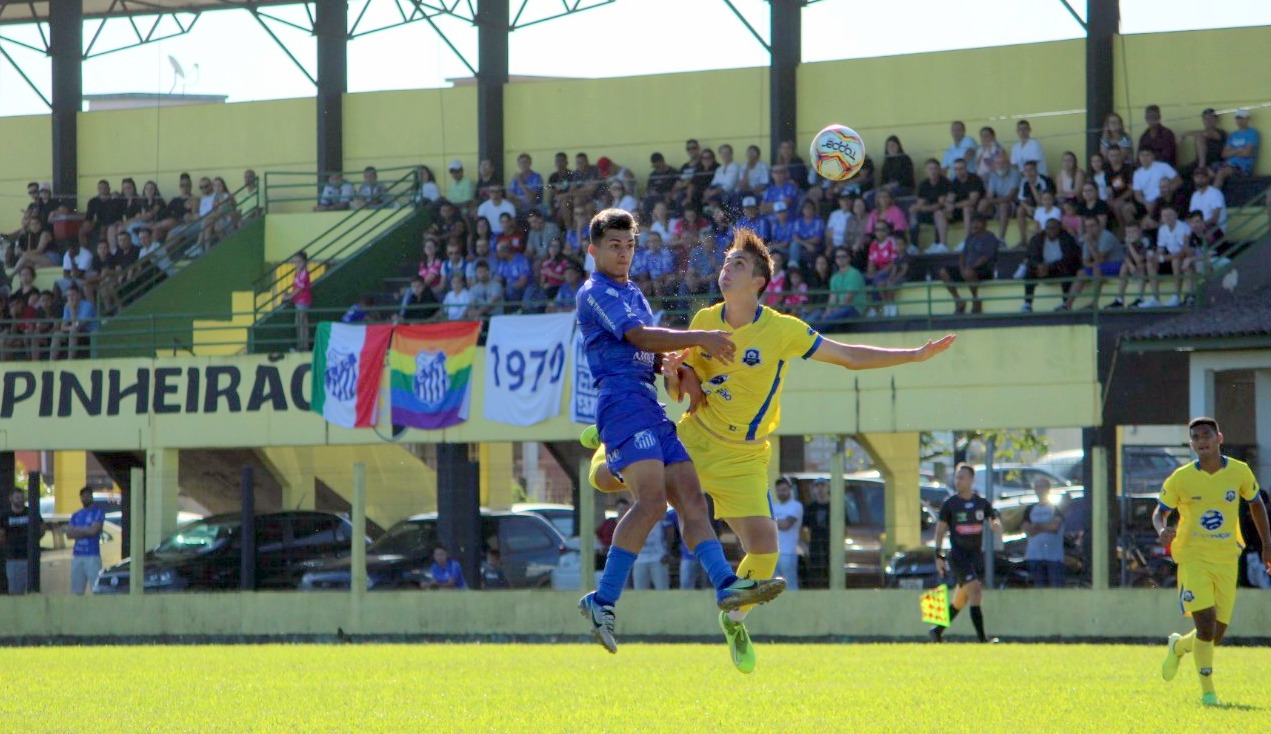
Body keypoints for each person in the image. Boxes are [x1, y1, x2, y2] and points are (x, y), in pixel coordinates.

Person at [586, 226, 956, 671]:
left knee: (764, 551)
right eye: (725, 262)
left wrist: (913, 355)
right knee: (620, 481)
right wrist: (677, 375)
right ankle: (606, 445)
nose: (726, 268)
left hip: (743, 455)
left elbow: (848, 356)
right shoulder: (705, 321)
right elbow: (684, 384)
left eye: (737, 264)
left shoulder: (782, 330)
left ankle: (735, 618)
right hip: (698, 437)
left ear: (759, 281)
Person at [574, 208, 785, 656]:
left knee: (689, 498)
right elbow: (638, 337)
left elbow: (652, 354)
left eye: (629, 246)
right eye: (614, 246)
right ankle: (603, 599)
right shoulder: (594, 292)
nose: (623, 254)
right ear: (593, 250)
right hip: (622, 402)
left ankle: (727, 585)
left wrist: (677, 372)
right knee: (650, 500)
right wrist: (700, 340)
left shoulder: (633, 292)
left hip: (647, 404)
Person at [1154, 417, 1270, 707]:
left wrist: (1267, 545)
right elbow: (1160, 512)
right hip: (1193, 557)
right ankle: (1209, 693)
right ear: (1191, 443)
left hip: (1227, 558)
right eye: (1195, 437)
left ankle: (1179, 646)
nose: (1201, 441)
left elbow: (1256, 504)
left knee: (1215, 635)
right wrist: (1162, 529)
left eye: (1206, 435)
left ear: (1219, 438)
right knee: (1205, 627)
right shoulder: (1181, 478)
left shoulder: (1239, 472)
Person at [930, 463, 1003, 643]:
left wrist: (996, 524)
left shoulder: (981, 503)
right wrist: (938, 556)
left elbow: (993, 517)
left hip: (974, 558)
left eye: (961, 477)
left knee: (960, 601)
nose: (958, 481)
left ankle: (937, 631)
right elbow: (939, 532)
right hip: (958, 557)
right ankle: (982, 639)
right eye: (956, 477)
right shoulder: (950, 504)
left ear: (971, 480)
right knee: (976, 593)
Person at [937, 214, 998, 314]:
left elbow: (985, 258)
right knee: (943, 272)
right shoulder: (970, 237)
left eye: (977, 222)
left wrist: (969, 268)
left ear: (985, 224)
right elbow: (962, 255)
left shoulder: (990, 237)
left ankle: (976, 300)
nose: (974, 225)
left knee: (968, 273)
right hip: (967, 269)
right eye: (972, 222)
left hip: (984, 270)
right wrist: (962, 267)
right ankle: (959, 301)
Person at [1021, 478, 1065, 588]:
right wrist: (1045, 526)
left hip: (1054, 557)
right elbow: (1026, 529)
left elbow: (1054, 527)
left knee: (1056, 589)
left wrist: (1037, 526)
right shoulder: (1030, 509)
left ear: (1048, 489)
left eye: (1043, 487)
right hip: (1034, 555)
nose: (1040, 490)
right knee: (1039, 589)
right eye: (1038, 487)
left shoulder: (1055, 508)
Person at [65, 486, 106, 595]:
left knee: (96, 589)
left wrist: (77, 530)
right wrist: (86, 530)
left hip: (92, 555)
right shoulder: (76, 515)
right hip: (77, 555)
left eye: (88, 495)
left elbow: (94, 531)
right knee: (76, 590)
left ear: (92, 496)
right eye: (83, 496)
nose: (85, 498)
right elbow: (69, 534)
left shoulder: (98, 512)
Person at [2, 489, 42, 595]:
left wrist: (34, 541)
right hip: (13, 559)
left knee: (33, 592)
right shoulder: (5, 516)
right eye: (17, 498)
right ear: (11, 499)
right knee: (15, 593)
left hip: (31, 559)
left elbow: (42, 528)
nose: (20, 500)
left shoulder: (31, 512)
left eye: (21, 498)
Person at [772, 478, 804, 590]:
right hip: (773, 554)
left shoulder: (796, 506)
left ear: (790, 490)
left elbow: (786, 525)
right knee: (774, 588)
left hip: (788, 553)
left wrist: (770, 521)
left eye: (784, 489)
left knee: (790, 586)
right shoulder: (774, 506)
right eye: (779, 490)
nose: (781, 492)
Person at [632, 509, 674, 590]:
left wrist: (667, 553)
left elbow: (670, 535)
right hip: (639, 560)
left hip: (659, 558)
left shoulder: (661, 517)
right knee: (639, 592)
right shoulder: (635, 519)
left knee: (663, 590)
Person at [803, 479, 832, 588]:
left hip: (831, 547)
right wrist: (806, 544)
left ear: (828, 488)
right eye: (817, 486)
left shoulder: (834, 507)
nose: (820, 489)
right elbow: (804, 528)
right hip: (815, 548)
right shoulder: (810, 508)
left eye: (823, 486)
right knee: (815, 577)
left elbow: (845, 527)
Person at [290, 250, 313, 351]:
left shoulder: (304, 273)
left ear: (304, 262)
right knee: (300, 323)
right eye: (295, 262)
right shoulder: (298, 273)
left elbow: (299, 288)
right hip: (298, 301)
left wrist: (289, 296)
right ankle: (302, 345)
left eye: (299, 262)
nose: (296, 264)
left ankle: (303, 347)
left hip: (302, 301)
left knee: (301, 323)